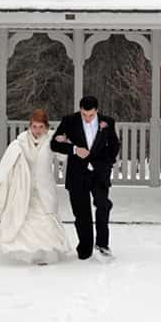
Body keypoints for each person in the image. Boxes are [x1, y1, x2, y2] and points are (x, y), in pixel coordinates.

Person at [0, 108, 74, 264]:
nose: (37, 131)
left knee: (45, 219)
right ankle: (28, 254)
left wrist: (65, 142)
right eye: (34, 127)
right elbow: (8, 164)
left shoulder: (52, 139)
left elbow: (62, 157)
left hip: (45, 188)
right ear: (30, 126)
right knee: (26, 219)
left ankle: (45, 253)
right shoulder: (21, 141)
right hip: (25, 188)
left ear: (46, 127)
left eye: (41, 127)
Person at [50, 95, 121, 261]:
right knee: (81, 213)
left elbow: (114, 145)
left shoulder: (107, 122)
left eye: (91, 115)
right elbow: (54, 143)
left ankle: (102, 245)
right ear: (80, 110)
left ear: (96, 111)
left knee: (103, 206)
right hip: (77, 174)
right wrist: (74, 149)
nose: (87, 119)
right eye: (84, 115)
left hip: (99, 173)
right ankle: (85, 247)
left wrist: (106, 164)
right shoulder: (69, 120)